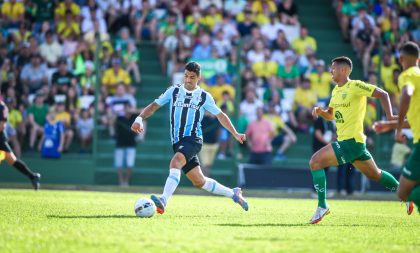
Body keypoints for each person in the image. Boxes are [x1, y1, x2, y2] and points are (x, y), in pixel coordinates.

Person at [131, 62, 248, 214]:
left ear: (199, 77)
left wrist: (235, 133)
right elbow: (154, 106)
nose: (187, 80)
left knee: (176, 161)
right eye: (186, 76)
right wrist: (139, 118)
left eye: (192, 77)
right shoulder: (173, 91)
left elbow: (220, 115)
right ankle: (234, 193)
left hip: (193, 139)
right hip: (177, 141)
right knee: (200, 181)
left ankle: (164, 201)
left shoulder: (204, 96)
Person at [309, 56, 412, 224]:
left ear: (344, 70)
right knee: (376, 174)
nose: (330, 71)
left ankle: (322, 206)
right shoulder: (335, 91)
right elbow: (332, 114)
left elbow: (383, 94)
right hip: (354, 144)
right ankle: (405, 195)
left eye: (333, 68)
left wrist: (390, 117)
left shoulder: (355, 86)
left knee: (315, 162)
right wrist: (321, 112)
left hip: (350, 141)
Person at [372, 42, 419, 214]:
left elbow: (406, 94)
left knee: (403, 192)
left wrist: (397, 129)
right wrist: (390, 125)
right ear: (419, 59)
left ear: (401, 59)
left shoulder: (406, 75)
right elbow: (415, 119)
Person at [0, 101, 41, 190]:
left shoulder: (2, 107)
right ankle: (33, 176)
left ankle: (33, 176)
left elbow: (2, 126)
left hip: (0, 138)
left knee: (12, 160)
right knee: (12, 159)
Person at [115, 105, 138, 187]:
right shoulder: (119, 118)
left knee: (130, 164)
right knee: (119, 164)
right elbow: (110, 116)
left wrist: (133, 110)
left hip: (131, 144)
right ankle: (121, 182)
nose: (127, 111)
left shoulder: (134, 118)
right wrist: (120, 111)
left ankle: (126, 182)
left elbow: (144, 112)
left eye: (129, 108)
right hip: (120, 143)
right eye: (126, 109)